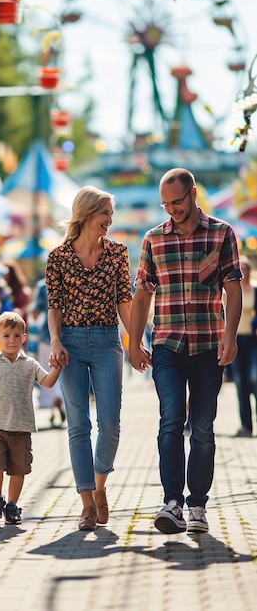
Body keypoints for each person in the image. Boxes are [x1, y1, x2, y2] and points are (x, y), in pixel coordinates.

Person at [128, 167, 242, 535]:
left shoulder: (222, 233)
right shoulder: (153, 239)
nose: (172, 210)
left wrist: (230, 335)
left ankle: (197, 505)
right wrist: (134, 342)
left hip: (209, 344)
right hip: (168, 345)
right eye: (166, 204)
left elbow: (233, 289)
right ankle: (172, 502)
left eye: (177, 202)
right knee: (171, 418)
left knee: (204, 428)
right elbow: (142, 294)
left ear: (193, 193)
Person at [46, 185, 132, 531]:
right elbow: (55, 305)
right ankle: (85, 504)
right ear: (86, 213)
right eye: (105, 213)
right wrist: (54, 340)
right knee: (78, 424)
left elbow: (125, 300)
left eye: (111, 214)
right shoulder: (58, 257)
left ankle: (99, 486)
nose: (110, 220)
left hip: (107, 339)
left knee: (110, 422)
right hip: (69, 342)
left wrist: (136, 341)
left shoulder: (118, 253)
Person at [0, 311, 62, 524]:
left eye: (16, 336)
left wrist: (57, 368)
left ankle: (12, 504)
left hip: (22, 427)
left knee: (18, 468)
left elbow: (46, 382)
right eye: (6, 336)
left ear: (24, 338)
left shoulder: (30, 365)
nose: (12, 340)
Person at [31, 278, 66, 427]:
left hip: (48, 336)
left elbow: (35, 312)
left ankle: (53, 406)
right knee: (65, 377)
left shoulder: (42, 285)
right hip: (71, 335)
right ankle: (61, 403)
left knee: (48, 374)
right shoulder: (75, 278)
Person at [230, 256, 257, 437]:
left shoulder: (255, 291)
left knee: (254, 380)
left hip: (253, 342)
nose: (243, 273)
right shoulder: (230, 292)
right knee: (241, 384)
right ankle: (246, 426)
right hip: (236, 340)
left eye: (245, 269)